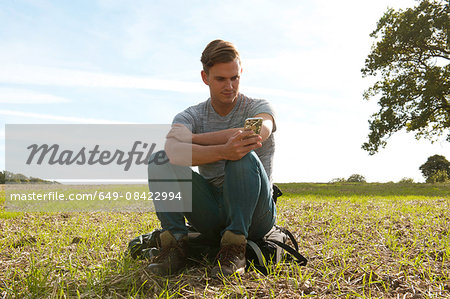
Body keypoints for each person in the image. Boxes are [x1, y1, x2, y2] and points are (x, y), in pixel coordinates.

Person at [147, 39, 277, 277]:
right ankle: (175, 246)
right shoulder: (191, 114)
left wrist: (193, 139)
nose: (229, 85)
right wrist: (220, 149)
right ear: (205, 78)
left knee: (241, 152)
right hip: (211, 212)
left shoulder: (258, 106)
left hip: (255, 213)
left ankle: (236, 247)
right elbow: (173, 151)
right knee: (159, 160)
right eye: (220, 79)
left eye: (234, 78)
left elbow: (254, 133)